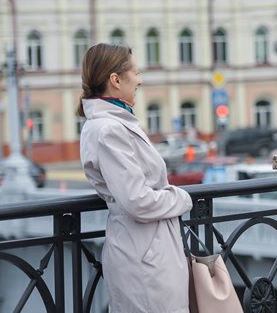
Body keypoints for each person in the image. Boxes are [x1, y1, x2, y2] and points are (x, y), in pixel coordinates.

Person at [77, 43, 193, 313]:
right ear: (115, 80)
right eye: (136, 73)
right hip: (143, 252)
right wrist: (180, 197)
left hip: (149, 247)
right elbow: (137, 200)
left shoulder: (117, 123)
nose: (140, 80)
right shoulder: (109, 130)